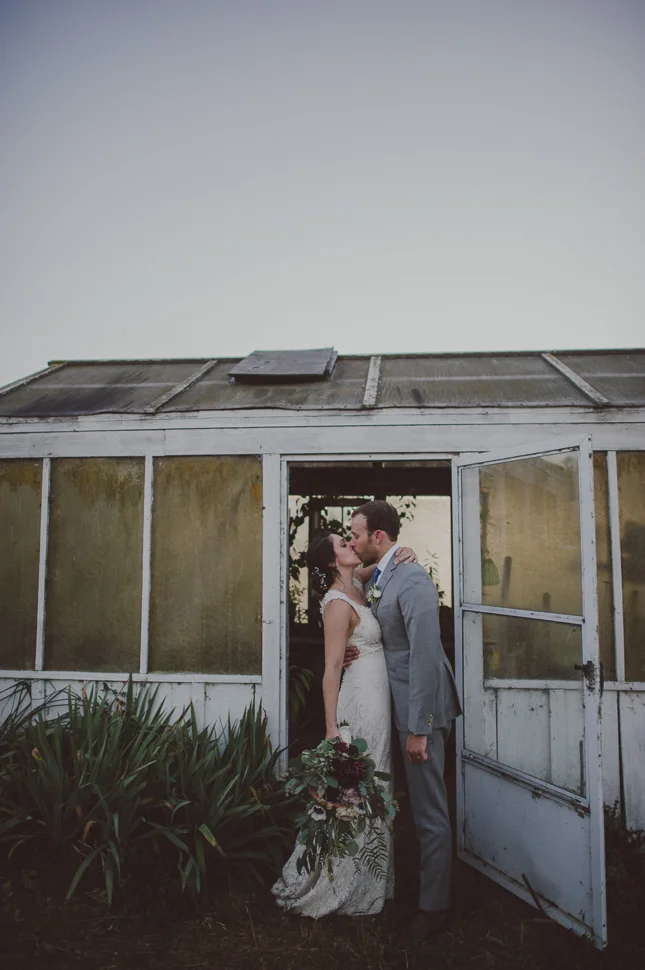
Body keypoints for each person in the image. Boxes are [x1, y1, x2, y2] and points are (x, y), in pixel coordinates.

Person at [272, 532, 417, 918]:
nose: (351, 545)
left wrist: (404, 551)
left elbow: (383, 564)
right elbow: (331, 668)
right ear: (330, 561)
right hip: (359, 704)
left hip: (379, 702)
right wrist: (331, 727)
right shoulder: (337, 602)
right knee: (353, 791)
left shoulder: (357, 583)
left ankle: (370, 880)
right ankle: (337, 882)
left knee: (376, 786)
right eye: (342, 544)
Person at [348, 501, 462, 942]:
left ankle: (435, 908)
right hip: (396, 706)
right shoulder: (384, 572)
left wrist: (419, 727)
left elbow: (425, 656)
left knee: (429, 809)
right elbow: (356, 583)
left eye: (356, 535)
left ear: (378, 536)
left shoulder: (411, 578)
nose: (352, 541)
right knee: (413, 804)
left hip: (421, 710)